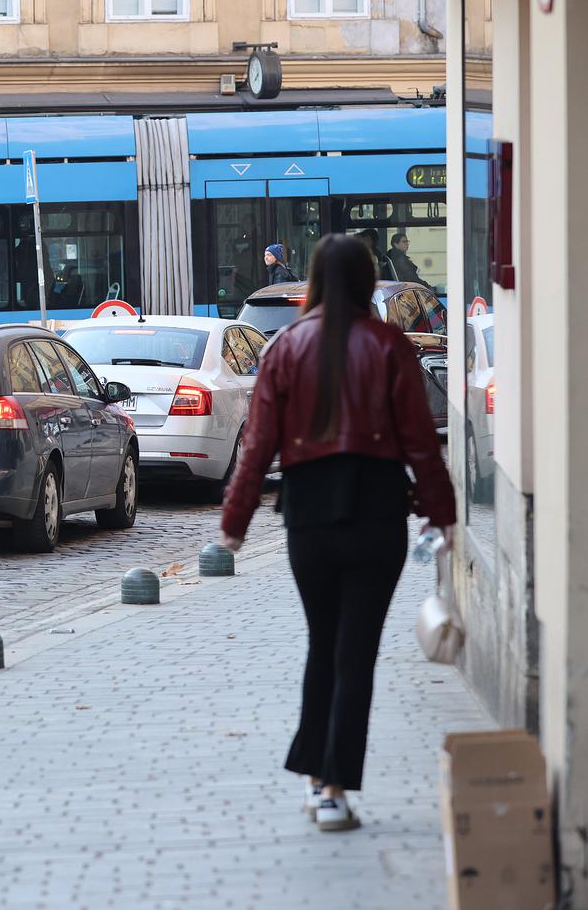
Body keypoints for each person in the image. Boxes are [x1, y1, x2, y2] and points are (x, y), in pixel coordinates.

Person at [218, 234, 454, 833]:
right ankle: (334, 787)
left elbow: (257, 447)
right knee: (358, 654)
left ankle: (318, 780)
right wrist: (441, 514)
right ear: (368, 283)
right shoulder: (389, 346)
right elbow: (421, 442)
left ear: (316, 281)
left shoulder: (285, 347)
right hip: (377, 514)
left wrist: (234, 525)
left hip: (310, 518)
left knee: (323, 644)